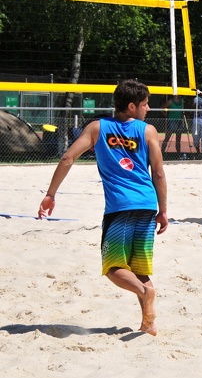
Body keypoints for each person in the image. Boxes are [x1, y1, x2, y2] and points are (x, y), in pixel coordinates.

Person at [37, 79, 167, 336]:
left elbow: (67, 157)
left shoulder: (97, 128)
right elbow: (159, 173)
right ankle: (148, 323)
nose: (148, 108)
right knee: (139, 270)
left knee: (112, 268)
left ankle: (145, 293)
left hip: (119, 207)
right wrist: (163, 211)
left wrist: (50, 194)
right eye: (145, 104)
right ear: (132, 107)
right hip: (146, 205)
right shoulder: (148, 131)